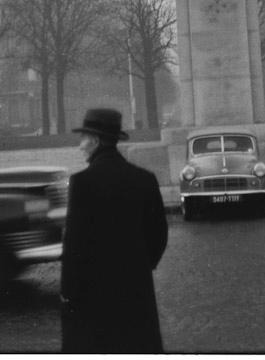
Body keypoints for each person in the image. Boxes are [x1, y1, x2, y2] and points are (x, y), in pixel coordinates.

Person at [60, 108, 168, 353]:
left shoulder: (81, 183)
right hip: (136, 291)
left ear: (96, 141)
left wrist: (68, 295)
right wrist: (139, 266)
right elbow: (159, 235)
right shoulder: (145, 179)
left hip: (93, 296)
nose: (80, 147)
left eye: (83, 139)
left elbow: (74, 246)